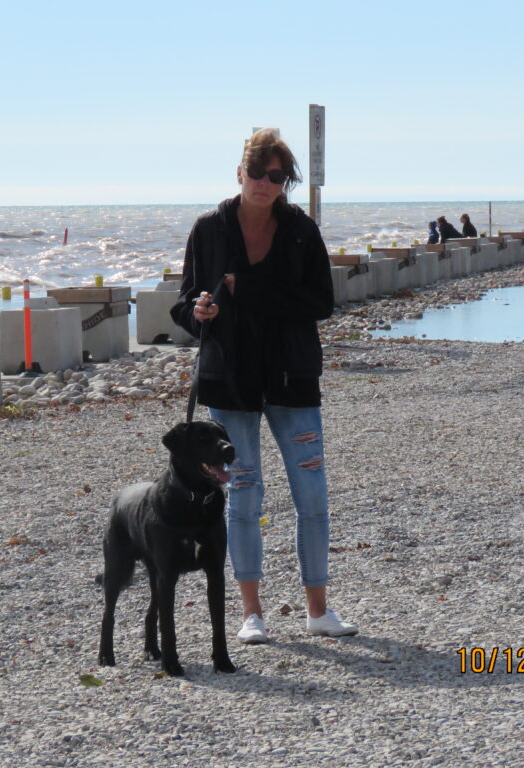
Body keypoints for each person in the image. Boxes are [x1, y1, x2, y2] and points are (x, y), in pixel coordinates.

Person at [170, 128, 358, 645]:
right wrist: (199, 310)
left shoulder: (301, 229)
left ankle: (318, 610)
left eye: (276, 176)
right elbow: (183, 302)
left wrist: (248, 290)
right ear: (240, 173)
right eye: (257, 173)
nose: (265, 183)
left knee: (312, 495)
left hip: (292, 378)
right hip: (229, 382)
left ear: (285, 181)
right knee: (243, 496)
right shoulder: (208, 229)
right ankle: (252, 614)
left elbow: (321, 302)